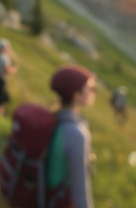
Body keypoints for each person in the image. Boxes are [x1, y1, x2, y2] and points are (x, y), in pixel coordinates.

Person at [46, 65, 97, 208]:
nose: (94, 92)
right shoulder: (77, 134)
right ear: (76, 95)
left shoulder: (55, 118)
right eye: (90, 88)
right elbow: (81, 194)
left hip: (44, 196)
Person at [0, 38, 18, 115]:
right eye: (8, 46)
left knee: (3, 98)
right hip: (1, 80)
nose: (9, 48)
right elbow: (7, 70)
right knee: (1, 99)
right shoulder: (3, 57)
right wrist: (14, 69)